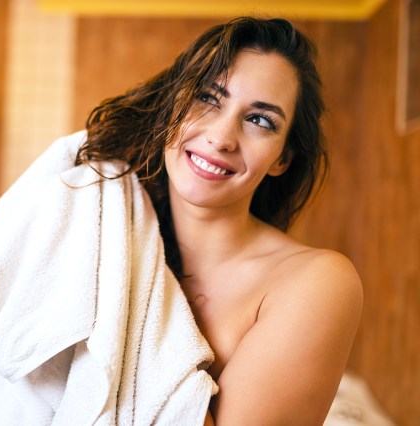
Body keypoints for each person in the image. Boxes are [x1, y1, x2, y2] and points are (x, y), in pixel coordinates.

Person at [75, 17, 363, 424]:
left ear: (282, 159)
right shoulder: (104, 234)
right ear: (172, 101)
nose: (222, 137)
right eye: (208, 98)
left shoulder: (314, 282)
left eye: (260, 120)